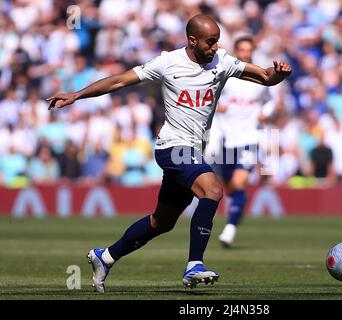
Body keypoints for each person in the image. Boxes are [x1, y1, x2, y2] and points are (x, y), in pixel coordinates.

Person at [47, 14, 291, 292]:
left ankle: (106, 256)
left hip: (193, 151)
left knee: (161, 222)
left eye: (217, 41)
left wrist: (278, 75)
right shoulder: (168, 62)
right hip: (172, 147)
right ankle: (194, 265)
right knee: (212, 189)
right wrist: (77, 95)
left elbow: (263, 77)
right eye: (210, 42)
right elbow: (119, 81)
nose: (215, 47)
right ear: (192, 40)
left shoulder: (222, 62)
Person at [208, 36, 282, 247]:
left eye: (249, 50)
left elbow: (271, 101)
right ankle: (236, 214)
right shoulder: (227, 75)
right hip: (225, 139)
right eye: (242, 50)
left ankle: (230, 230)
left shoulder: (259, 78)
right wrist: (217, 105)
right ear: (236, 51)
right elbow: (210, 94)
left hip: (249, 138)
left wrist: (265, 113)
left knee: (239, 183)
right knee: (231, 189)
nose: (245, 53)